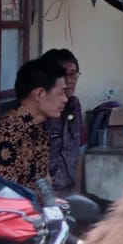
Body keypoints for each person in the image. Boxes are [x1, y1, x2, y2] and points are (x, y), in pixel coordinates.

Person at [0, 58, 68, 190]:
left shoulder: (39, 128)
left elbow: (45, 182)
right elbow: (4, 197)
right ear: (39, 94)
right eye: (61, 93)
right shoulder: (3, 135)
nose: (65, 99)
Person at [41, 48, 86, 194]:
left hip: (69, 189)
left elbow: (78, 151)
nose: (70, 80)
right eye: (64, 75)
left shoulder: (74, 105)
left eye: (74, 74)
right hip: (46, 194)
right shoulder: (41, 112)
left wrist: (77, 192)